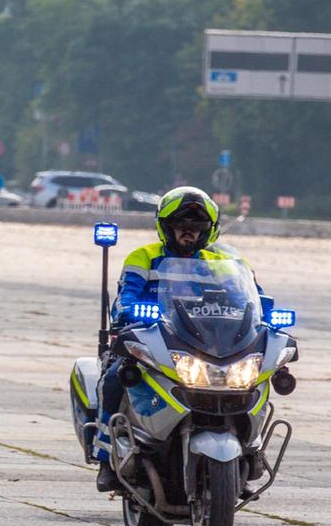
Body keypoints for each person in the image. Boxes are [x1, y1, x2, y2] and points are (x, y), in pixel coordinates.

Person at [91, 187, 286, 491]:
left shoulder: (224, 261)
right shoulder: (144, 257)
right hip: (156, 337)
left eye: (197, 228)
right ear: (166, 227)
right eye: (182, 227)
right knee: (115, 377)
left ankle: (251, 449)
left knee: (257, 377)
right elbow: (125, 298)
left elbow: (252, 298)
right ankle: (104, 455)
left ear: (208, 231)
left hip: (210, 342)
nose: (189, 234)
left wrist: (267, 312)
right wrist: (129, 310)